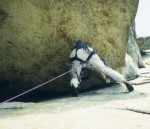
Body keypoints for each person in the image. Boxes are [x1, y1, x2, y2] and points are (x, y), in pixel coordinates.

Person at [69, 40, 134, 97]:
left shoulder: (72, 53)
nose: (85, 73)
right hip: (89, 56)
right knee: (105, 69)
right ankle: (124, 81)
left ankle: (74, 85)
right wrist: (106, 80)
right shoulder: (87, 49)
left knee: (75, 76)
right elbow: (99, 70)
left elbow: (72, 67)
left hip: (77, 59)